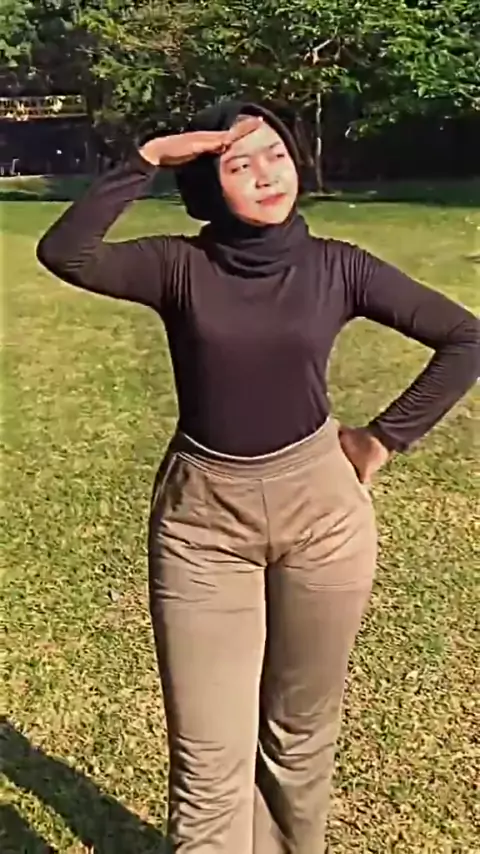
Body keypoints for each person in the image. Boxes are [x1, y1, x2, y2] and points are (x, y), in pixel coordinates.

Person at [36, 100, 479, 854]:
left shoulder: (339, 265)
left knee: (299, 738)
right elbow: (67, 252)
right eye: (239, 164)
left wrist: (381, 439)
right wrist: (150, 156)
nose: (267, 174)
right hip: (202, 527)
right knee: (208, 761)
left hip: (323, 518)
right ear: (209, 185)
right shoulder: (180, 266)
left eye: (274, 154)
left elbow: (465, 338)